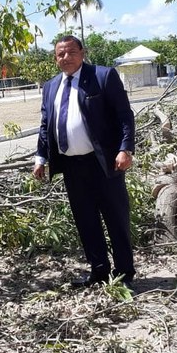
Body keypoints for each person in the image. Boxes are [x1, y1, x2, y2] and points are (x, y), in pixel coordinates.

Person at [33, 35, 136, 288]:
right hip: (72, 166)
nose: (65, 58)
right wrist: (41, 157)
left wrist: (125, 148)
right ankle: (99, 272)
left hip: (104, 163)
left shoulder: (103, 76)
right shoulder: (50, 87)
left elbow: (124, 115)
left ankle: (124, 273)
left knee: (116, 218)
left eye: (70, 52)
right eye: (60, 54)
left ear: (82, 52)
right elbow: (46, 126)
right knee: (86, 220)